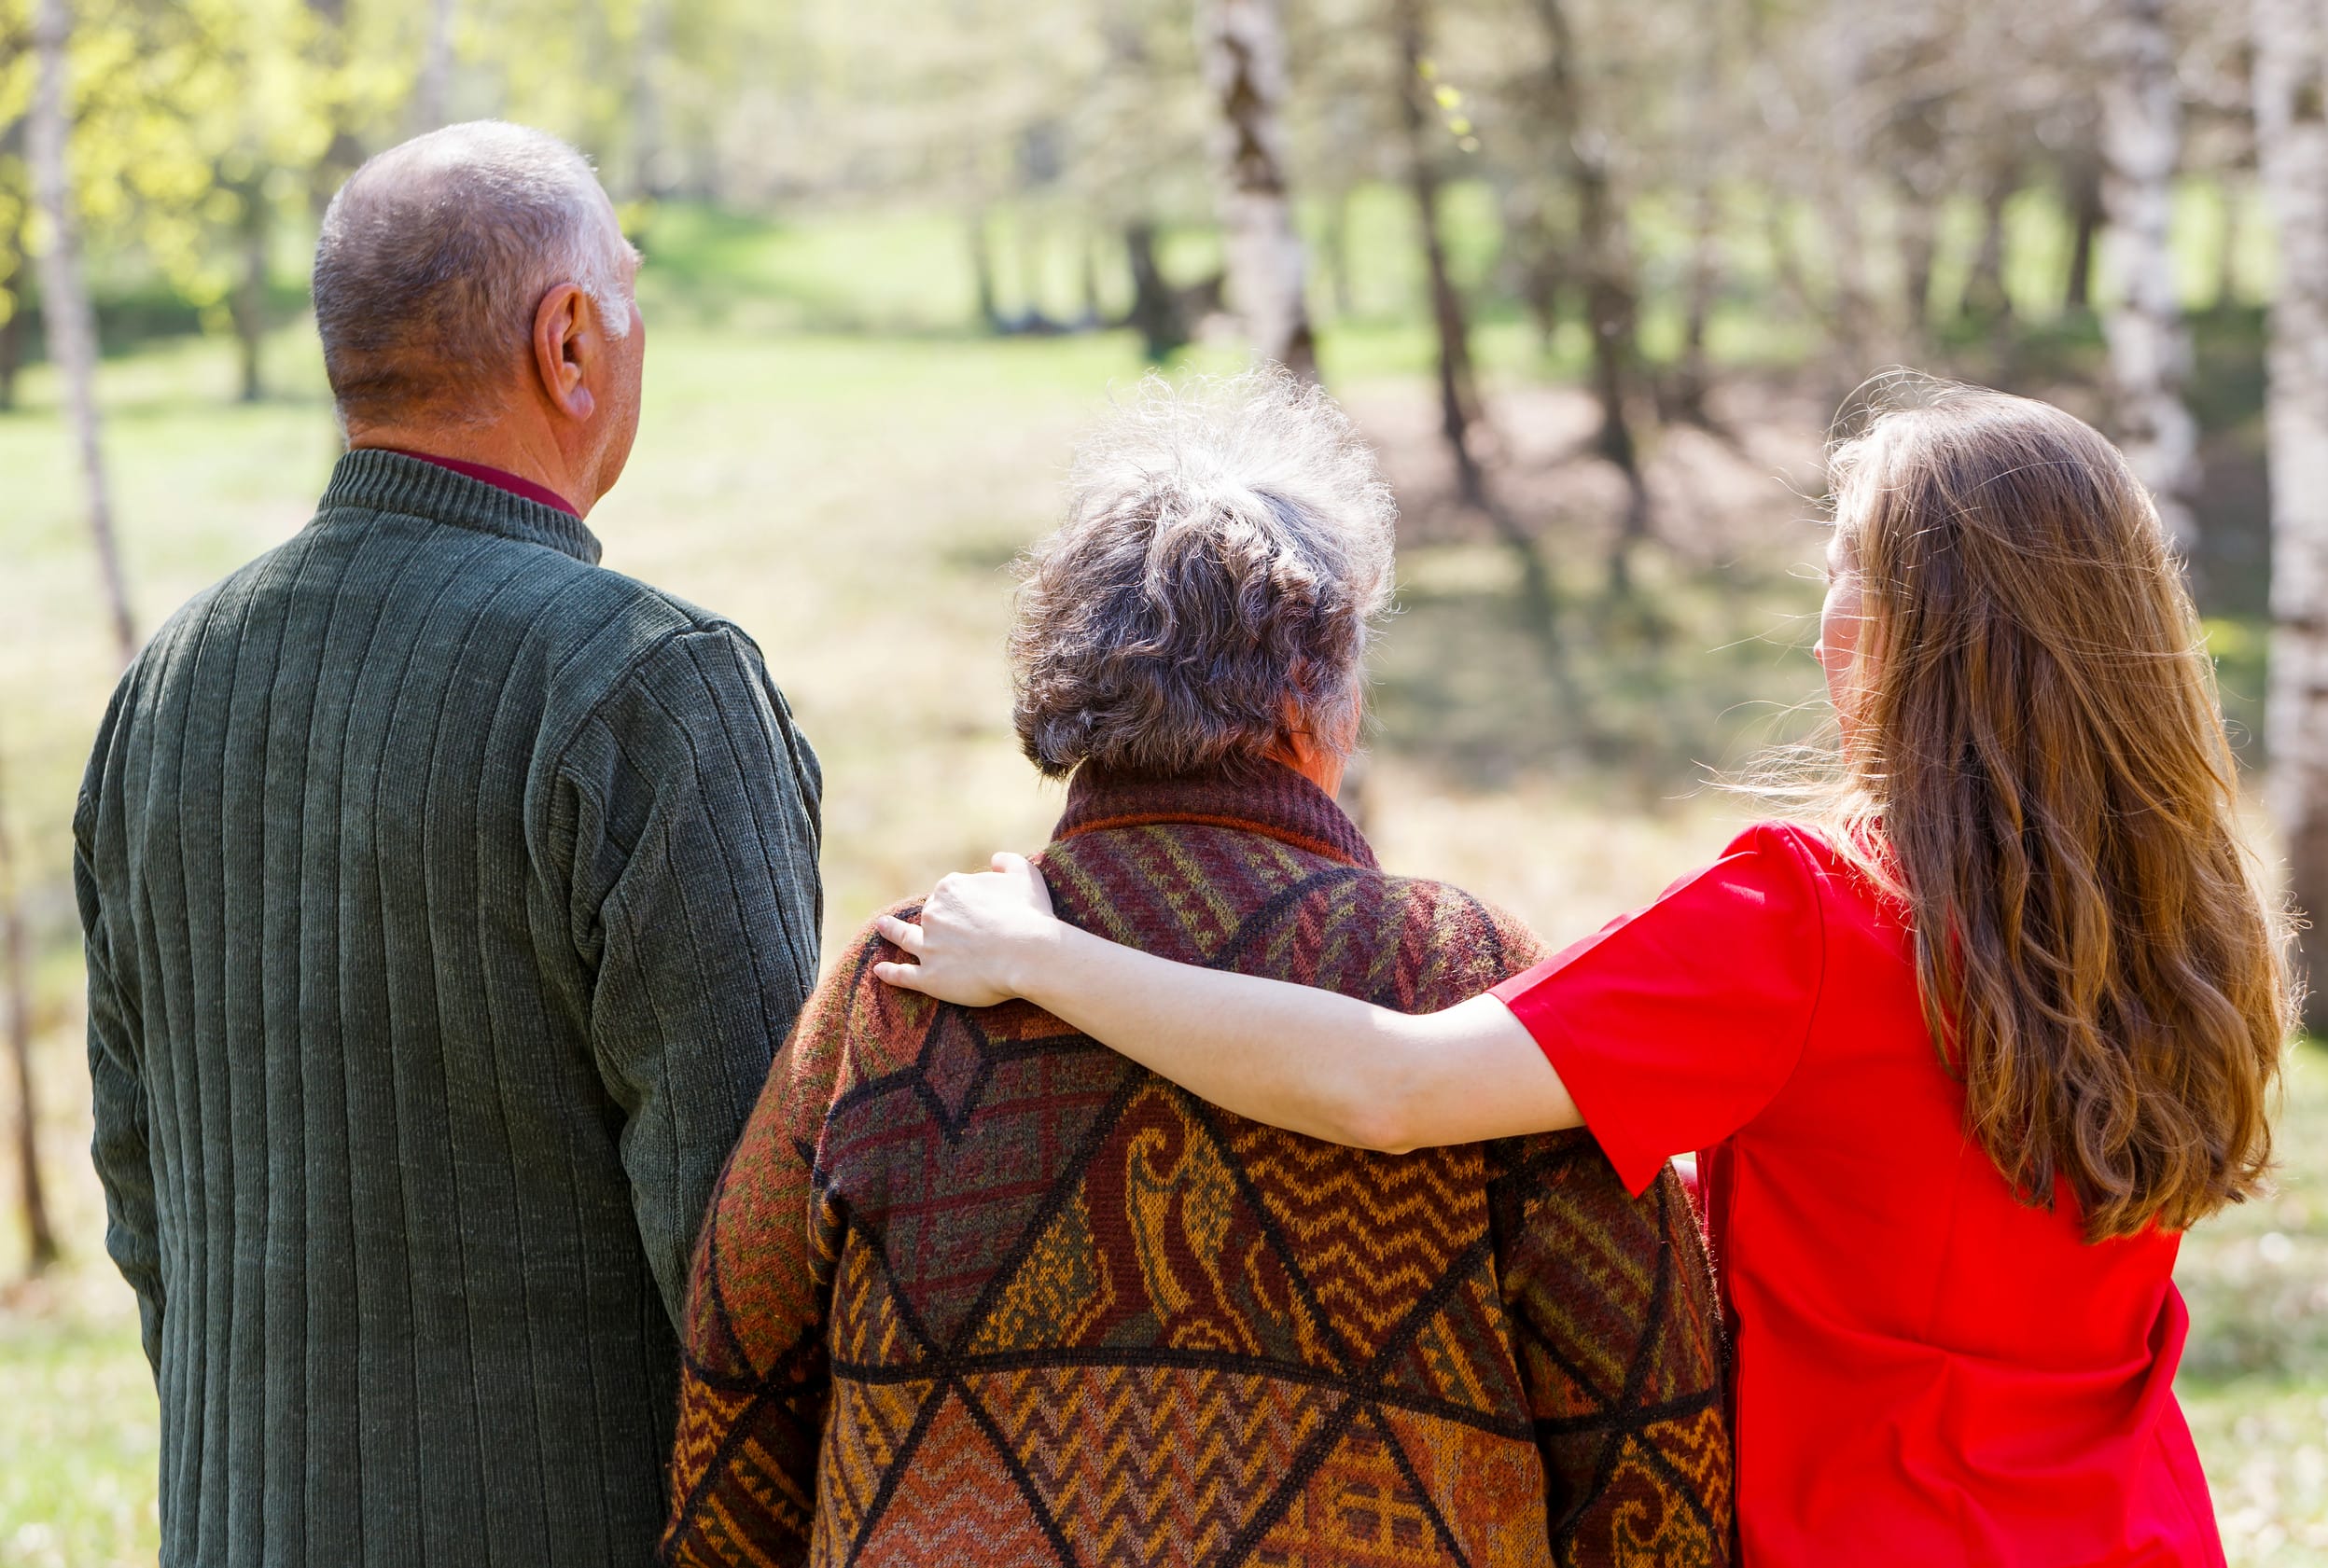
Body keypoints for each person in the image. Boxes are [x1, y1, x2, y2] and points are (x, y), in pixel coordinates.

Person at [875, 383, 2292, 1567]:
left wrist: (1051, 961)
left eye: (1849, 581)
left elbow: (1392, 1083)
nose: (1819, 628)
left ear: (1943, 632)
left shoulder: (1809, 916)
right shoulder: (2183, 914)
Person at [663, 373, 1734, 1568]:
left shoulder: (903, 979)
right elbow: (1645, 1419)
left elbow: (739, 1379)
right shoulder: (1457, 975)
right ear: (1302, 696)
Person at [74, 121, 823, 1567]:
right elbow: (751, 1258)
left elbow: (141, 1190)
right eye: (629, 289)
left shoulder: (163, 687)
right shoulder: (648, 685)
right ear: (568, 344)